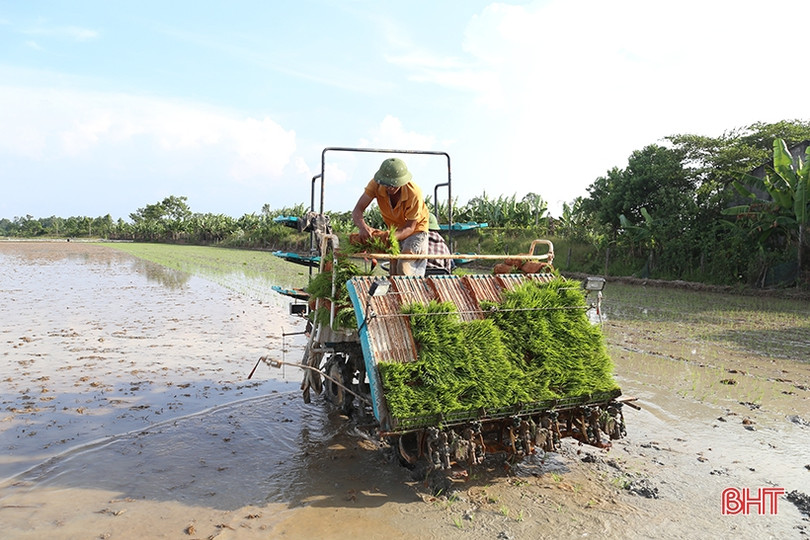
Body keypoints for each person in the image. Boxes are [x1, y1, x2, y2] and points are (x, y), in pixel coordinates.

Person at [352, 157, 429, 276]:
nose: (390, 188)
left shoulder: (414, 193)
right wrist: (363, 227)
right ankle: (395, 294)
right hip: (395, 229)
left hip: (416, 230)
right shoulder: (375, 185)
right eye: (387, 184)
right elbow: (358, 210)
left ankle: (410, 294)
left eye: (394, 185)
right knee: (393, 270)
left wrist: (390, 236)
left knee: (404, 267)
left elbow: (410, 227)